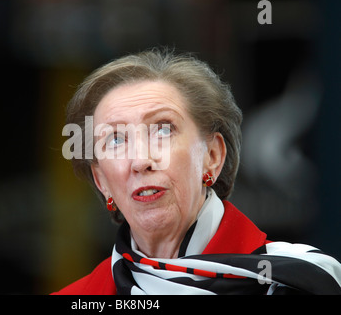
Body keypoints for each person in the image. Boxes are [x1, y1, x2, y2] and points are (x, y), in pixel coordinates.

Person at [52, 48, 341, 295]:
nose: (140, 161)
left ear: (212, 156)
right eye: (115, 139)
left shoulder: (301, 281)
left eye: (163, 130)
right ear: (102, 181)